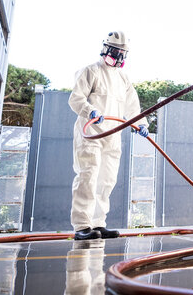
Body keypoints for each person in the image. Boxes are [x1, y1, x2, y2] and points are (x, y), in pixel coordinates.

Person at [68, 31, 149, 240]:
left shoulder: (123, 79)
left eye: (122, 53)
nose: (118, 56)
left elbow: (132, 106)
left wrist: (140, 124)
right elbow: (75, 99)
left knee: (106, 181)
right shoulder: (90, 71)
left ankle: (98, 223)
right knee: (88, 176)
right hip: (91, 134)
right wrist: (90, 111)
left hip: (113, 135)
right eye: (115, 51)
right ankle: (82, 226)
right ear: (106, 49)